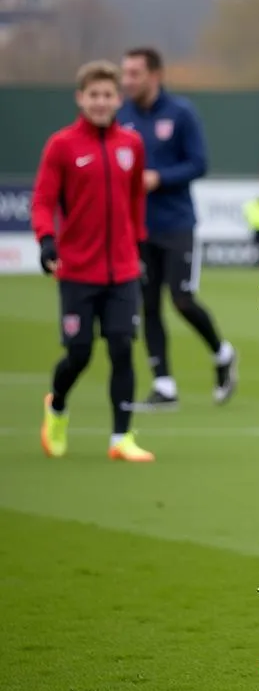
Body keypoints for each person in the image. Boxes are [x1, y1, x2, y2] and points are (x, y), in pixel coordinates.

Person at [31, 60, 154, 462]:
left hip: (122, 270)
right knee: (79, 353)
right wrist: (47, 241)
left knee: (122, 347)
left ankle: (121, 438)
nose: (101, 102)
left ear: (118, 99)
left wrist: (138, 248)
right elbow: (43, 200)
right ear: (80, 98)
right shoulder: (61, 145)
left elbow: (135, 200)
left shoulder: (131, 145)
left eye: (108, 95)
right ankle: (57, 408)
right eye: (93, 95)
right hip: (78, 271)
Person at [118, 47, 238, 410]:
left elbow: (199, 163)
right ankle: (164, 385)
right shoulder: (120, 115)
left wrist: (160, 178)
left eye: (134, 73)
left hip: (177, 224)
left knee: (182, 300)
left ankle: (222, 352)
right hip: (137, 228)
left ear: (155, 75)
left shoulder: (181, 112)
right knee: (148, 305)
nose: (127, 81)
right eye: (124, 73)